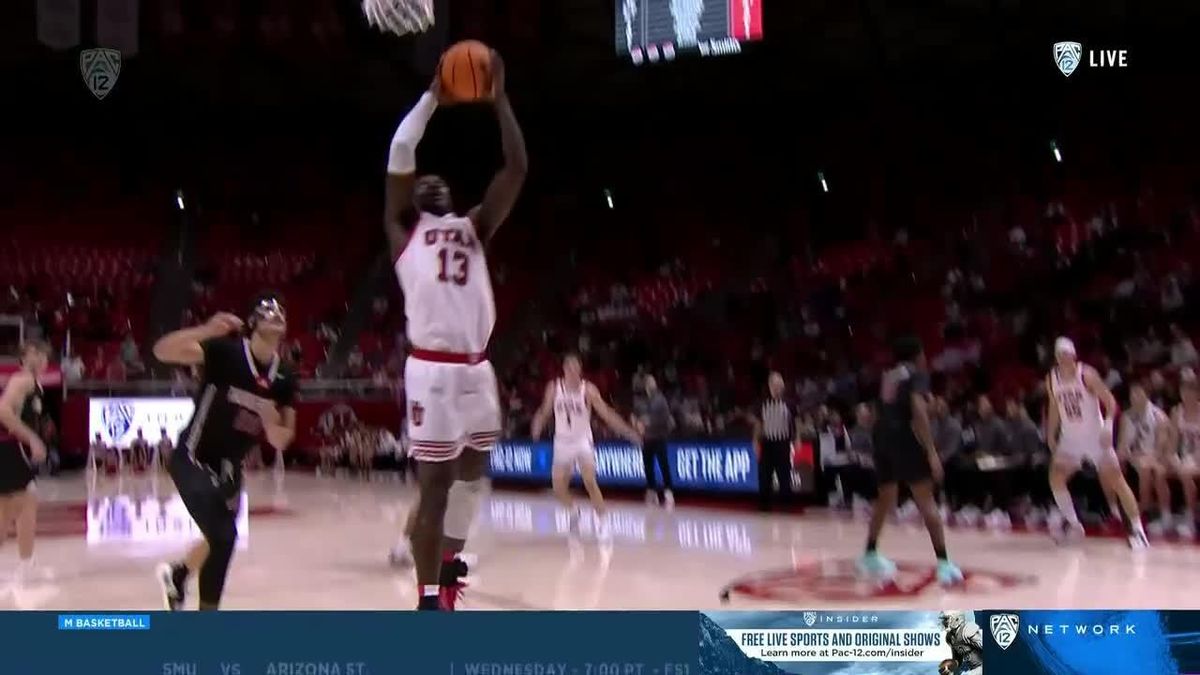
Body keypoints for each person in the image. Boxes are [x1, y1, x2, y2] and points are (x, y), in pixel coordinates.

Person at [383, 49, 527, 611]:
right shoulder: (403, 233)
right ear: (415, 199)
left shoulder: (475, 225)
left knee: (474, 476)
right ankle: (425, 601)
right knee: (434, 488)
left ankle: (447, 571)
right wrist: (431, 101)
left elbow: (514, 169)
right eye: (425, 181)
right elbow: (400, 150)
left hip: (477, 368)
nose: (433, 180)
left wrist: (501, 100)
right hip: (433, 370)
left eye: (440, 179)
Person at [151, 295, 298, 610]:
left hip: (230, 468)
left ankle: (178, 576)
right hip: (193, 456)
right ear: (253, 324)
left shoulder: (285, 377)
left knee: (218, 538)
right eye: (267, 312)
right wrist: (206, 329)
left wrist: (273, 423)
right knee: (224, 535)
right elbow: (161, 351)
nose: (276, 315)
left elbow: (282, 440)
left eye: (280, 313)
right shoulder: (224, 353)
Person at [858, 336, 962, 585]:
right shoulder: (917, 373)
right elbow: (917, 411)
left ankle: (870, 553)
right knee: (926, 500)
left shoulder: (888, 375)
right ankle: (944, 563)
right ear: (917, 355)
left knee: (886, 498)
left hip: (882, 439)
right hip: (905, 439)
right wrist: (931, 451)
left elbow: (870, 413)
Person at [1045, 337, 1148, 548]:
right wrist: (1050, 433)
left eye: (1066, 354)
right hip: (1071, 438)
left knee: (1116, 480)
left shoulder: (1087, 375)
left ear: (1073, 355)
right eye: (1059, 355)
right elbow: (1055, 406)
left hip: (1094, 436)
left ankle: (1138, 531)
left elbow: (1110, 401)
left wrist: (1108, 424)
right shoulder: (1052, 379)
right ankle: (1074, 526)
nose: (1063, 358)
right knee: (1056, 476)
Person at [530, 353, 641, 540]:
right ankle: (574, 512)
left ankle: (603, 521)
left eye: (576, 369)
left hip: (583, 440)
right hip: (562, 441)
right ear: (564, 369)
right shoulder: (554, 388)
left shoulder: (588, 390)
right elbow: (544, 410)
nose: (573, 372)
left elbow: (606, 413)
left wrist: (628, 432)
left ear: (580, 370)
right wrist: (537, 425)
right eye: (570, 369)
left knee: (589, 480)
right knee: (558, 487)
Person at [0, 340, 52, 584]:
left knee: (12, 509)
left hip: (10, 450)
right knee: (23, 504)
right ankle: (26, 564)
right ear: (23, 358)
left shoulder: (34, 384)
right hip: (10, 449)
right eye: (35, 353)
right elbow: (3, 412)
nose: (41, 357)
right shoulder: (24, 380)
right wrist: (32, 439)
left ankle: (26, 563)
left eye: (43, 354)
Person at [1119, 382, 1171, 533]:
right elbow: (1122, 444)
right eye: (1132, 394)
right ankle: (1116, 512)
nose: (1134, 397)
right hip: (1132, 456)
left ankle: (1149, 511)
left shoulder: (1158, 416)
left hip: (1152, 456)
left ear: (1146, 395)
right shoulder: (1126, 416)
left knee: (1147, 468)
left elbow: (1161, 447)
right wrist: (1124, 454)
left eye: (1138, 393)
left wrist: (1149, 457)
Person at [751, 372, 796, 512]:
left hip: (783, 443)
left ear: (782, 386)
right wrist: (755, 440)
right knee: (764, 476)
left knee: (784, 476)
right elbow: (759, 424)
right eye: (774, 385)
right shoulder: (762, 403)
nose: (777, 388)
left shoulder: (790, 403)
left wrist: (798, 438)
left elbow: (796, 422)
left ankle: (786, 506)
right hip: (767, 443)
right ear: (770, 387)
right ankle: (764, 506)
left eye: (779, 385)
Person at [1163, 376, 1200, 539]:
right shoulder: (1176, 412)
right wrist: (1174, 459)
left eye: (1190, 391)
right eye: (1183, 391)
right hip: (1183, 457)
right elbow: (1172, 444)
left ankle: (1190, 519)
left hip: (1198, 457)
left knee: (1185, 474)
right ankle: (1166, 517)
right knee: (1159, 471)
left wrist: (1192, 460)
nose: (1186, 395)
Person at [634, 375, 675, 509]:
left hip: (659, 437)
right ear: (646, 385)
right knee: (648, 466)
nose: (652, 384)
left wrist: (649, 422)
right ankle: (652, 491)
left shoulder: (660, 400)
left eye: (653, 381)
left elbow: (665, 419)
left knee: (663, 465)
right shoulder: (641, 401)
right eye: (649, 382)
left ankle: (668, 492)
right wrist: (637, 423)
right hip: (647, 438)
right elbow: (636, 416)